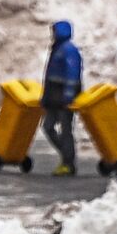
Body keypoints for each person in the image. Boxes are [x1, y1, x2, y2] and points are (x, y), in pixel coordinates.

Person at [41, 19, 83, 177]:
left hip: (63, 98)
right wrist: (45, 97)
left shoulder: (68, 50)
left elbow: (72, 74)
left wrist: (69, 94)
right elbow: (50, 76)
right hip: (53, 97)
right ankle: (66, 155)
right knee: (48, 127)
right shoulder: (57, 49)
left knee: (65, 129)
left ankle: (68, 162)